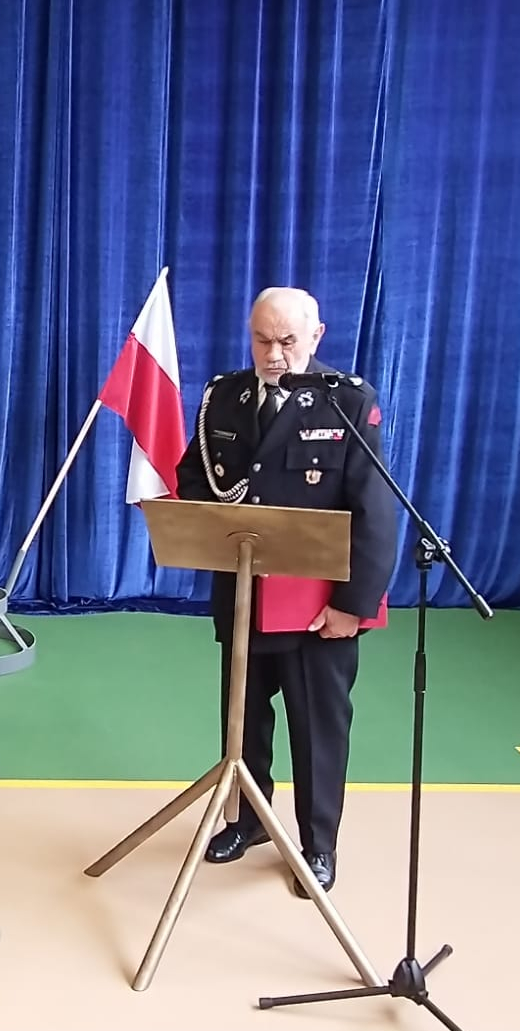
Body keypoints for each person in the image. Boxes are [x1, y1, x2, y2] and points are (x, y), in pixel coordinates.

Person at [176, 287, 397, 895]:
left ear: (316, 336)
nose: (273, 354)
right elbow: (195, 477)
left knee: (317, 730)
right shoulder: (225, 397)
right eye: (262, 340)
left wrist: (353, 606)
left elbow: (375, 514)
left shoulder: (346, 401)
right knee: (243, 722)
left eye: (287, 341)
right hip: (245, 596)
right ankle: (248, 820)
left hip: (315, 609)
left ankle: (318, 844)